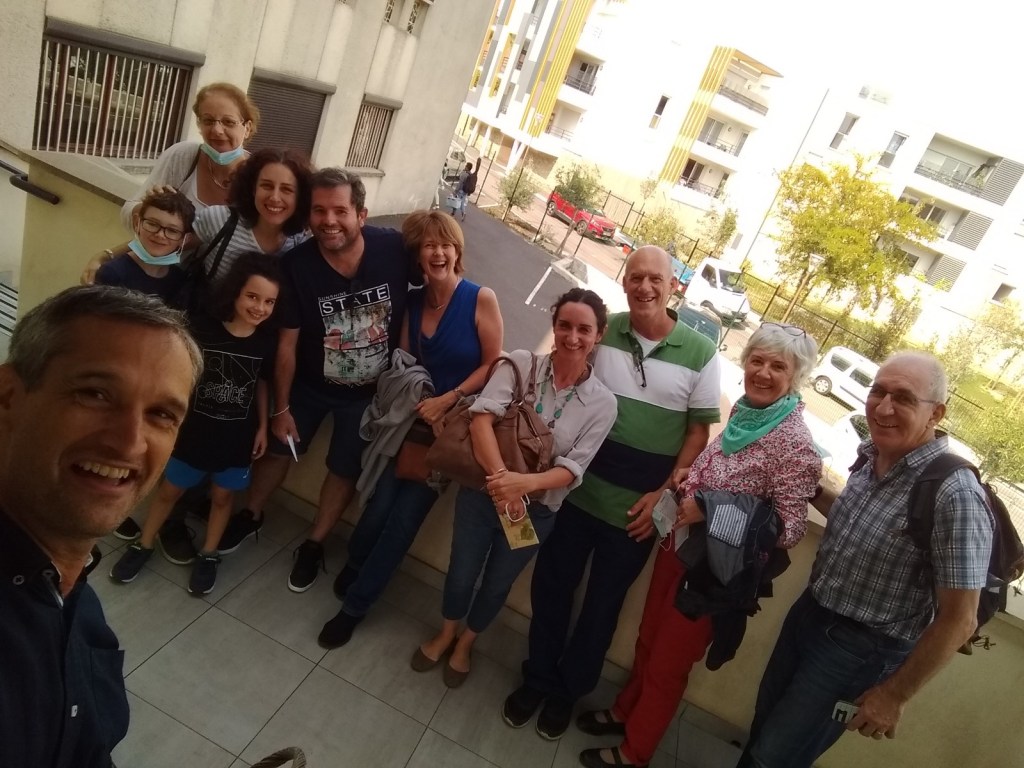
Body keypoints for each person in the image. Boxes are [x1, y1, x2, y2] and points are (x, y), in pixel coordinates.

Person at [576, 322, 823, 768]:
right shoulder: (747, 414)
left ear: (796, 377)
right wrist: (693, 478)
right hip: (680, 548)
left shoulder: (795, 443)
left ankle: (635, 751)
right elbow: (734, 477)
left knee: (669, 664)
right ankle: (626, 711)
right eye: (757, 361)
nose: (763, 373)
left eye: (778, 366)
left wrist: (710, 507)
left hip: (714, 575)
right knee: (649, 640)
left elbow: (788, 530)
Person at [502, 245, 722, 740]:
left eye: (656, 278)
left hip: (638, 511)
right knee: (552, 589)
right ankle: (537, 679)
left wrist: (662, 496)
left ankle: (567, 692)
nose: (645, 287)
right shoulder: (601, 331)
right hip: (574, 494)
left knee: (602, 608)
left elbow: (697, 435)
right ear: (624, 282)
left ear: (674, 286)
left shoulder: (701, 354)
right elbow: (556, 377)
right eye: (635, 277)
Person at [736, 351, 994, 768]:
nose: (884, 408)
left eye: (903, 398)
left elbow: (960, 619)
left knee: (776, 756)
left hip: (860, 650)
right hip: (810, 614)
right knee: (763, 727)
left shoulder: (955, 494)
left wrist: (894, 695)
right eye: (878, 392)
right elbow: (856, 518)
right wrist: (801, 485)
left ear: (936, 413)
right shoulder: (873, 454)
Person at [0, 285, 201, 768]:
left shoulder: (74, 596)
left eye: (161, 414)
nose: (130, 444)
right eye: (94, 394)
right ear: (8, 397)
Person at [216, 168, 411, 591]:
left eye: (340, 211)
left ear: (361, 214)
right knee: (278, 453)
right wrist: (282, 408)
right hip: (308, 387)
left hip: (369, 398)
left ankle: (314, 543)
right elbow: (286, 344)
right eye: (319, 211)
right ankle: (251, 514)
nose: (329, 220)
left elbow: (437, 282)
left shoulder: (394, 249)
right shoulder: (295, 267)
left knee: (344, 469)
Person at [410, 289, 617, 687]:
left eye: (584, 329)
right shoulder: (521, 364)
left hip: (534, 513)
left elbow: (573, 469)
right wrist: (502, 480)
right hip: (482, 494)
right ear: (554, 326)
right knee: (461, 572)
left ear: (599, 335)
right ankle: (447, 632)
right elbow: (481, 421)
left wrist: (522, 486)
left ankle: (466, 643)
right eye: (564, 326)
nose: (573, 337)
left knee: (497, 584)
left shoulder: (603, 404)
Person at [317, 209, 502, 645]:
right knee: (377, 507)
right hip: (407, 425)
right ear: (418, 255)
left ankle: (355, 607)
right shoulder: (414, 301)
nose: (438, 253)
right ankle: (357, 563)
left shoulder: (480, 298)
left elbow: (494, 364)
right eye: (429, 245)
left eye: (446, 245)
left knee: (402, 523)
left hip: (447, 432)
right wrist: (418, 402)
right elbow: (402, 364)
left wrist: (448, 400)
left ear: (457, 252)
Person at [109, 254, 280, 595]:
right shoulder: (202, 329)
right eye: (252, 296)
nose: (260, 308)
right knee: (169, 491)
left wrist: (263, 426)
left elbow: (262, 384)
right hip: (193, 434)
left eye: (269, 302)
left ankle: (209, 554)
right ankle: (144, 543)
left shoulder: (265, 343)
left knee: (222, 498)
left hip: (237, 438)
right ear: (235, 292)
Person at [119, 82, 259, 231]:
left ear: (247, 128)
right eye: (208, 121)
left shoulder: (259, 175)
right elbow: (127, 213)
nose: (217, 130)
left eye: (228, 122)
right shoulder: (182, 157)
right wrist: (149, 208)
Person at [191, 146, 312, 282]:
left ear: (300, 196)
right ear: (253, 188)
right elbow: (175, 247)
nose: (275, 197)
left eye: (286, 189)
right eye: (267, 186)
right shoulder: (219, 219)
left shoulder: (299, 241)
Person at [95, 189, 195, 304]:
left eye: (172, 230)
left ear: (184, 239)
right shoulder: (112, 273)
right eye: (152, 224)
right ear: (137, 223)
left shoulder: (180, 281)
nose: (160, 235)